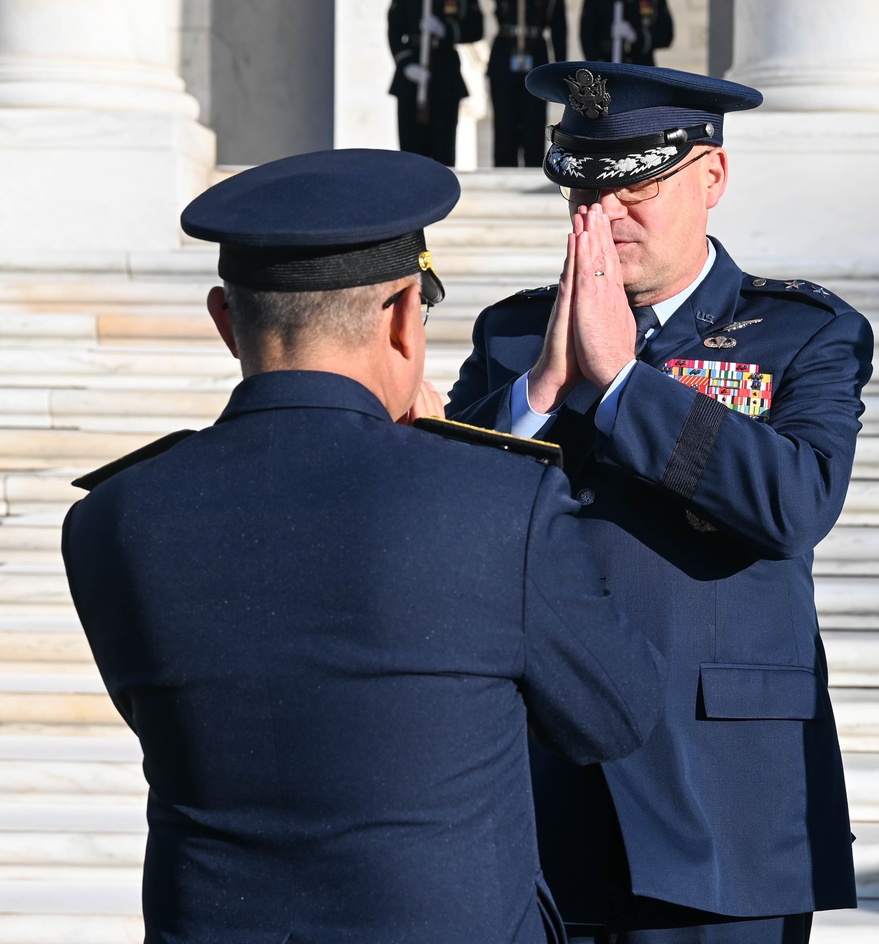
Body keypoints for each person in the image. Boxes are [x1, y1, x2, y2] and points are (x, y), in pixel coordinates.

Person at [61, 148, 669, 944]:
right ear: (403, 318)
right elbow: (615, 716)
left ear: (223, 320)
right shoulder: (494, 499)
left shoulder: (113, 516)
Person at [445, 62, 874, 944]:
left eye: (635, 184)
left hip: (726, 794)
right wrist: (540, 387)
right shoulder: (515, 335)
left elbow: (795, 500)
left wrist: (620, 390)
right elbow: (442, 509)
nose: (602, 215)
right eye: (582, 188)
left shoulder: (805, 331)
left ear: (710, 177)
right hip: (537, 786)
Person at [388, 0, 484, 166]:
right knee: (411, 153)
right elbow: (394, 28)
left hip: (445, 73)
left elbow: (475, 28)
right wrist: (406, 64)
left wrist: (445, 31)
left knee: (443, 152)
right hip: (411, 77)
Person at [488, 0, 567, 167]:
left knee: (534, 120)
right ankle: (504, 169)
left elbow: (559, 28)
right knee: (504, 120)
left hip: (535, 50)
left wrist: (561, 69)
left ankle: (534, 168)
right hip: (505, 52)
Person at [580, 0, 673, 65]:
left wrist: (637, 36)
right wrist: (598, 64)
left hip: (642, 68)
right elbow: (587, 35)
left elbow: (666, 34)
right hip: (607, 67)